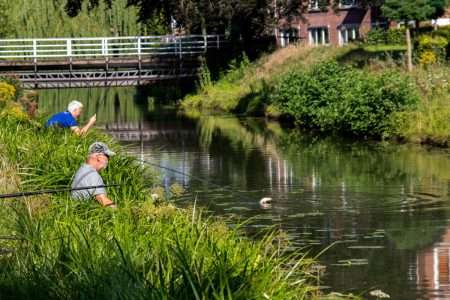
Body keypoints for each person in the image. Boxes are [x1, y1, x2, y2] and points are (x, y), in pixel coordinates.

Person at [71, 142, 117, 208]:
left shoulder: (82, 168)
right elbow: (103, 200)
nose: (108, 160)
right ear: (99, 157)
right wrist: (121, 212)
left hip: (76, 208)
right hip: (84, 213)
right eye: (107, 156)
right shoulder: (93, 175)